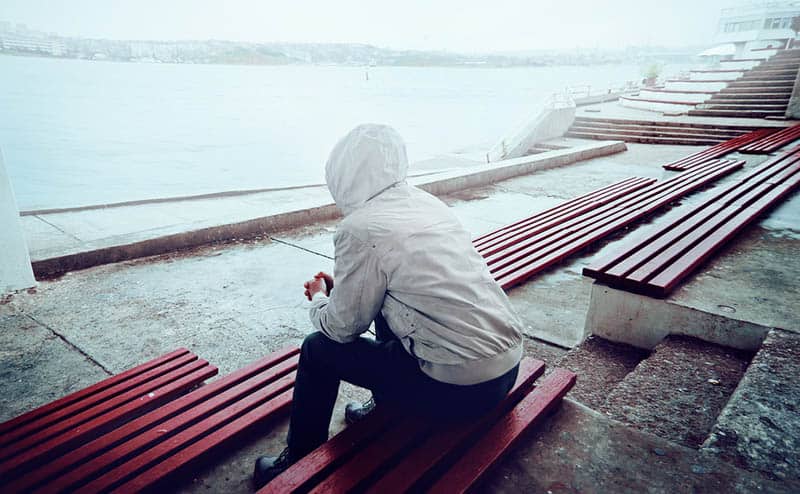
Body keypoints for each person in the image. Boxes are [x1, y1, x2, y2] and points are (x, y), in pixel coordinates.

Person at [253, 123, 525, 488]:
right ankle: (388, 403)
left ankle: (299, 457)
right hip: (506, 370)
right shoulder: (427, 203)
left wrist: (320, 296)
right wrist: (345, 291)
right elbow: (403, 288)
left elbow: (340, 329)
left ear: (343, 173)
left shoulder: (360, 227)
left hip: (458, 390)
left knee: (317, 349)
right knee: (382, 304)